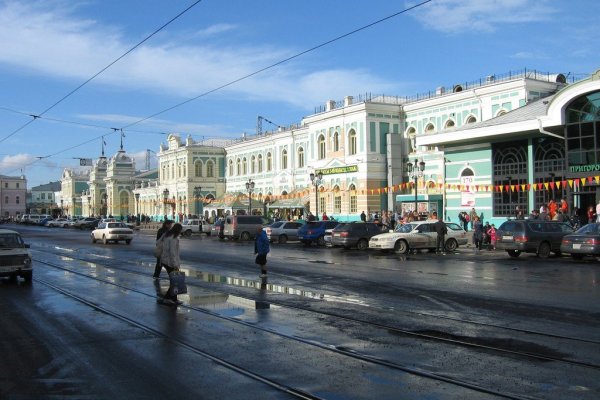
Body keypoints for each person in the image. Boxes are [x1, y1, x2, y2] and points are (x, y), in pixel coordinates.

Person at [159, 223, 183, 305]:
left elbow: (158, 241)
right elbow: (172, 253)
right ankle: (167, 298)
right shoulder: (173, 238)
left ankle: (174, 299)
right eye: (180, 230)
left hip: (165, 260)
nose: (181, 232)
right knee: (174, 281)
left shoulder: (167, 235)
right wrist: (175, 265)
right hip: (169, 262)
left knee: (174, 281)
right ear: (178, 230)